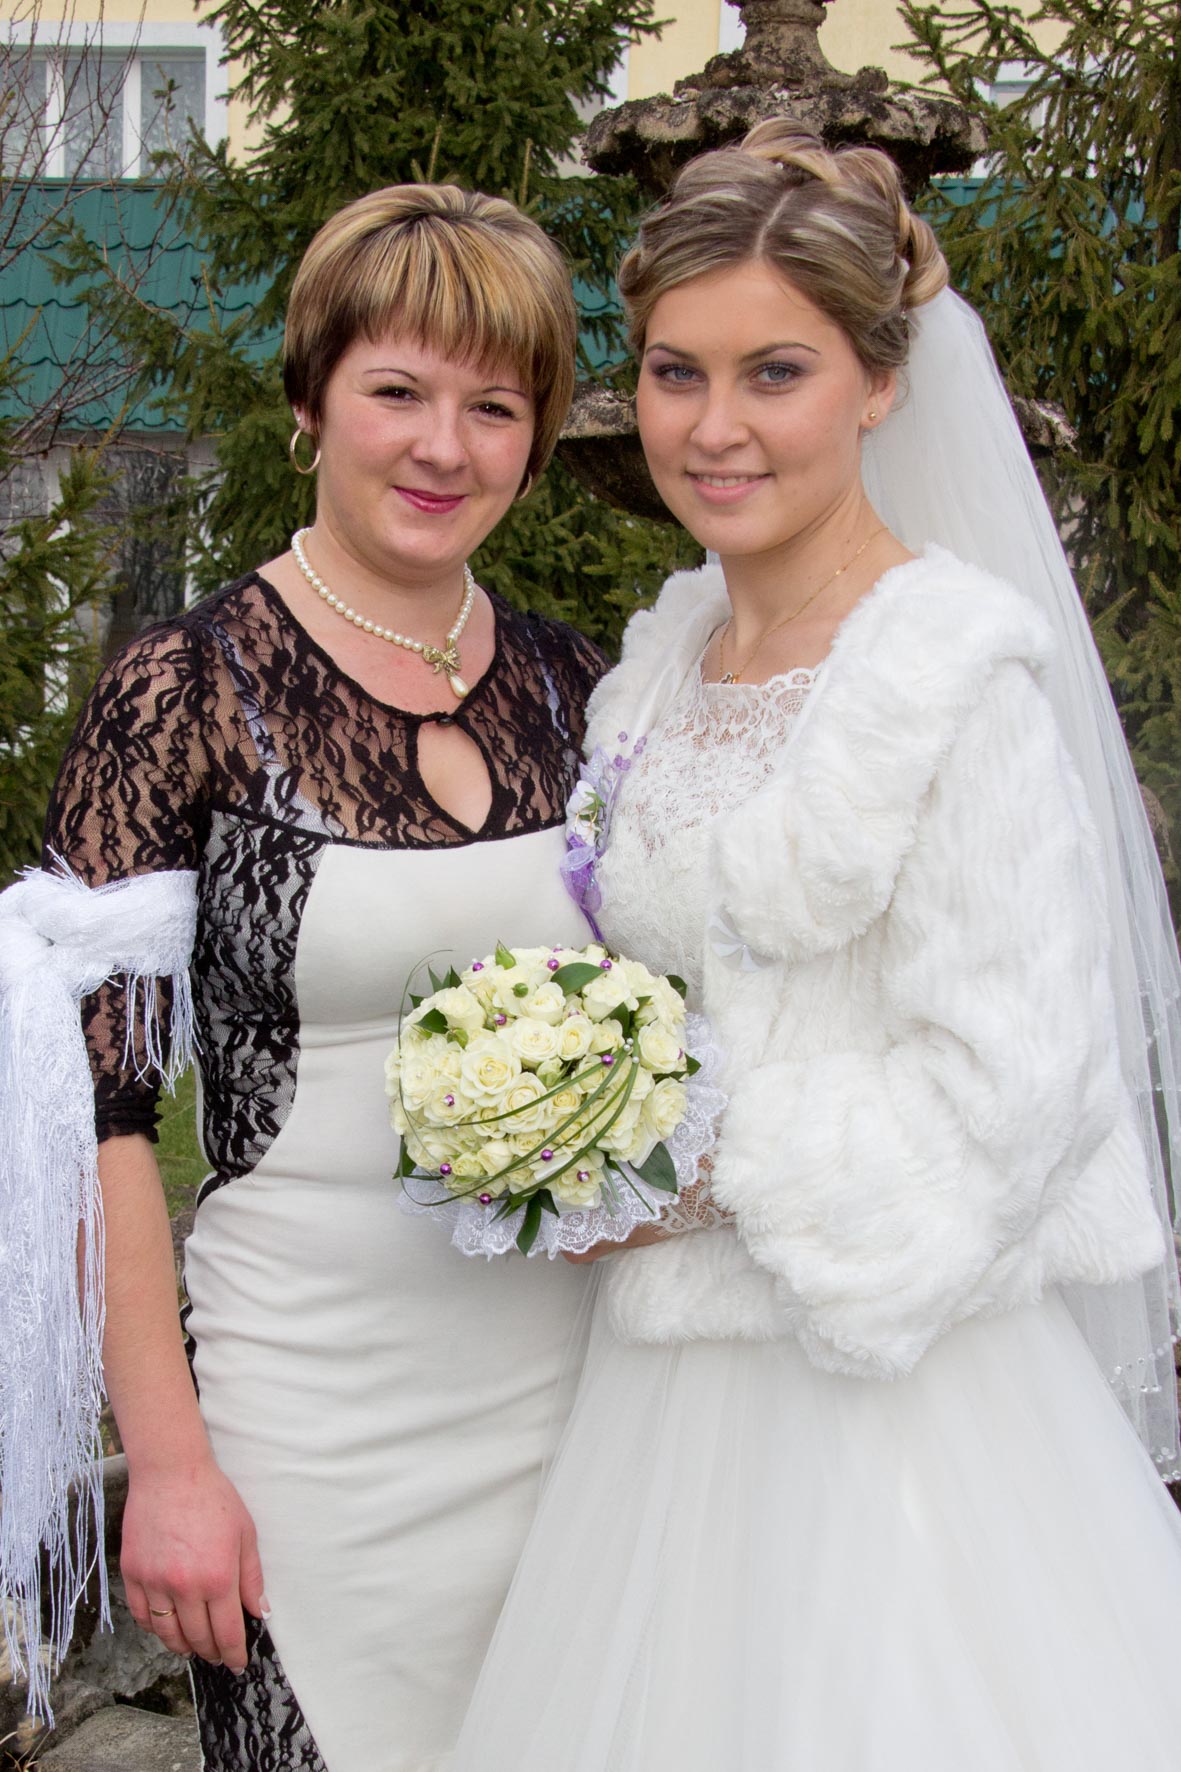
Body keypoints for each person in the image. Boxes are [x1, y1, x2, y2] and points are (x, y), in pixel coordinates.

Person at [450, 122, 1181, 1770]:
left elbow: (1012, 1091)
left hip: (892, 1417)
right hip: (658, 1409)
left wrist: (666, 1166)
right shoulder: (662, 664)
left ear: (876, 383)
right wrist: (544, 1112)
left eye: (772, 372)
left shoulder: (948, 680)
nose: (711, 427)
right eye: (674, 373)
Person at [16, 183, 604, 1770]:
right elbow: (94, 1116)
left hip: (579, 1410)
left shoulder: (582, 687)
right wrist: (169, 1467)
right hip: (310, 1417)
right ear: (309, 399)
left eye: (494, 407)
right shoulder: (182, 692)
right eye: (396, 390)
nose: (443, 447)